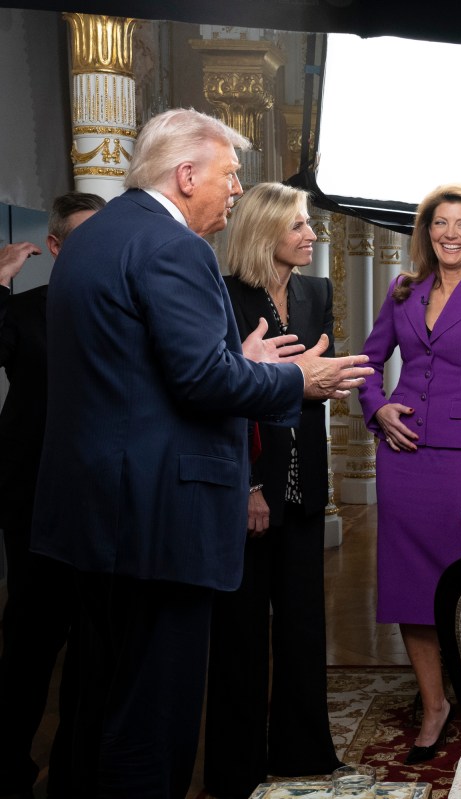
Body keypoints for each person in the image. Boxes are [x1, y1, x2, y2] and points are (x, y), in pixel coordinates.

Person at [28, 107, 373, 799]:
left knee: (97, 699)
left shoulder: (96, 239)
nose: (237, 190)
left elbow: (139, 371)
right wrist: (296, 379)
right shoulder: (173, 246)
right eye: (230, 175)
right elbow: (199, 381)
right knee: (154, 721)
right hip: (159, 517)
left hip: (96, 514)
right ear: (186, 176)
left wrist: (233, 357)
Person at [357, 182, 461, 765]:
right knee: (408, 590)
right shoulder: (402, 291)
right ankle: (434, 706)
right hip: (403, 456)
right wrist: (376, 407)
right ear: (426, 232)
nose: (450, 234)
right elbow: (368, 363)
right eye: (439, 224)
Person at [202, 182, 344, 798]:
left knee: (302, 623)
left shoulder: (317, 292)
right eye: (298, 226)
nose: (311, 234)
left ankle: (304, 751)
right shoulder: (225, 296)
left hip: (305, 480)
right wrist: (251, 486)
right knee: (239, 632)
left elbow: (310, 378)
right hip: (252, 483)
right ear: (265, 233)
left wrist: (327, 379)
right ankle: (236, 766)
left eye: (310, 224)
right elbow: (225, 396)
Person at [0, 193, 105, 799]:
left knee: (94, 645)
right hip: (33, 498)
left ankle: (76, 773)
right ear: (58, 247)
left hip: (100, 501)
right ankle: (9, 765)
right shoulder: (25, 311)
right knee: (31, 640)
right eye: (82, 240)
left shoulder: (122, 312)